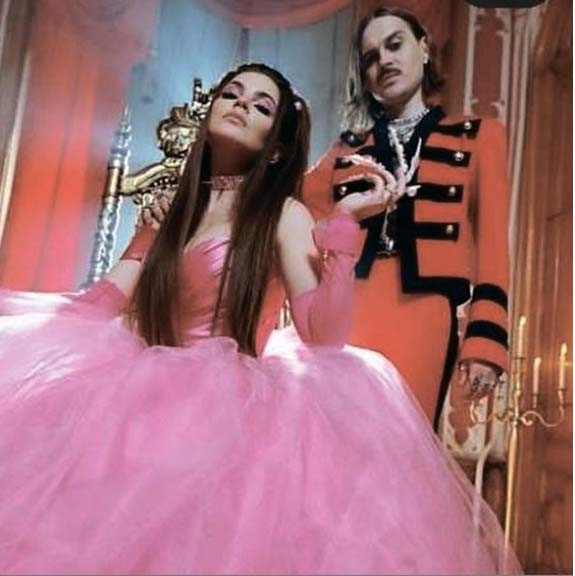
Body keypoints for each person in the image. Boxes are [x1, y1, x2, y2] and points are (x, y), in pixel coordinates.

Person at [0, 63, 519, 574]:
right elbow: (105, 300)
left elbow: (323, 334)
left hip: (227, 416)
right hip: (138, 400)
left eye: (261, 105)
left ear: (276, 148)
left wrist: (344, 225)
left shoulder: (283, 216)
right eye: (232, 94)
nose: (241, 104)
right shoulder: (171, 211)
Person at [303, 7, 511, 429]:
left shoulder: (478, 138)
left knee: (403, 441)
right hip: (348, 310)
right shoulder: (342, 154)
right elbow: (296, 227)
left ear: (424, 49)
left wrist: (485, 342)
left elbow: (493, 247)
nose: (385, 61)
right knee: (335, 440)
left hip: (424, 315)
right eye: (371, 57)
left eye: (395, 45)